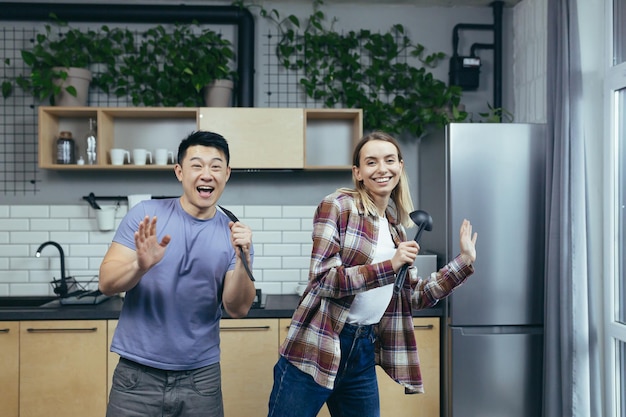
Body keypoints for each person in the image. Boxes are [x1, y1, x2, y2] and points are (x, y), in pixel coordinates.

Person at [267, 131, 478, 417]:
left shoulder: (396, 229)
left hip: (363, 349)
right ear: (358, 172)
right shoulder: (338, 206)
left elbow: (414, 295)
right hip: (319, 344)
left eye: (389, 160)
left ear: (400, 166)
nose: (382, 169)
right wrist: (389, 266)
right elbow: (323, 279)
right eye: (371, 162)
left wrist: (462, 262)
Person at [99, 130, 257, 417]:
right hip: (137, 376)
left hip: (200, 378)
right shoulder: (146, 216)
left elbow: (238, 308)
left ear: (227, 174)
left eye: (216, 166)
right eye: (197, 165)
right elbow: (107, 283)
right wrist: (140, 266)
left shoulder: (234, 233)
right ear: (179, 172)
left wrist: (242, 255)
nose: (206, 174)